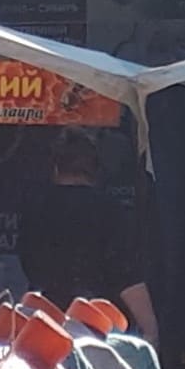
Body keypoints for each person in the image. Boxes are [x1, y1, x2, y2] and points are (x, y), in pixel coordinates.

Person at [17, 124, 156, 338]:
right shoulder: (111, 211)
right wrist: (151, 330)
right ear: (96, 171)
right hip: (100, 328)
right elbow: (126, 275)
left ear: (55, 168)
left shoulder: (34, 211)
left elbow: (28, 268)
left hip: (44, 325)